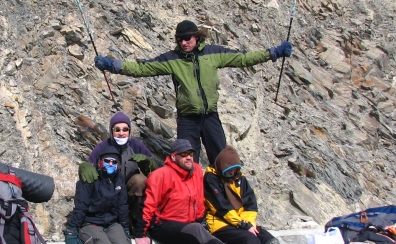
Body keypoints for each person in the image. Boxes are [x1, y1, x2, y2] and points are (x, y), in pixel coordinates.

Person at [95, 20, 292, 166]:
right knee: (188, 163)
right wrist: (113, 65)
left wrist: (273, 52)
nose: (183, 43)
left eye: (187, 39)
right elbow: (142, 68)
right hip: (187, 120)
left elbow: (244, 58)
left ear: (197, 37)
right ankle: (194, 210)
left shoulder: (213, 53)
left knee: (223, 160)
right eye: (179, 40)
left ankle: (227, 206)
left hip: (210, 117)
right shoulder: (172, 59)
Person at [137, 139, 265, 244]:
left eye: (190, 154)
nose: (188, 158)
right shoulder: (160, 175)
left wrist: (201, 220)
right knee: (196, 229)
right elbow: (148, 206)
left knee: (205, 229)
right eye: (183, 154)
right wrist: (140, 235)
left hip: (189, 224)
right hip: (163, 225)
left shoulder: (196, 171)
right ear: (173, 157)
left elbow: (199, 200)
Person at [64, 146, 137, 244]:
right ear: (99, 161)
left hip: (111, 223)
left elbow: (122, 205)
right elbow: (81, 206)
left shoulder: (119, 179)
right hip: (91, 223)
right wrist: (72, 230)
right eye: (107, 161)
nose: (110, 164)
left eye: (114, 162)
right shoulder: (90, 179)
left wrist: (125, 227)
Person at [79, 111, 156, 235]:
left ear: (129, 131)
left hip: (130, 190)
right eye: (117, 129)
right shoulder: (103, 146)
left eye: (125, 129)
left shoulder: (137, 146)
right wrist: (85, 167)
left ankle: (135, 220)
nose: (121, 133)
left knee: (141, 181)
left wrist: (148, 163)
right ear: (112, 130)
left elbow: (155, 171)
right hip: (110, 189)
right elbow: (91, 163)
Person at [204, 145, 282, 244]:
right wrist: (243, 225)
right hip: (221, 224)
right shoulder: (211, 179)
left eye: (235, 170)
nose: (233, 173)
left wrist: (247, 223)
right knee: (251, 240)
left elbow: (250, 204)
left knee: (269, 239)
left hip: (241, 223)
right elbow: (221, 207)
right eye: (229, 170)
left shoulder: (240, 178)